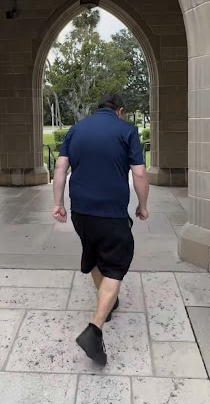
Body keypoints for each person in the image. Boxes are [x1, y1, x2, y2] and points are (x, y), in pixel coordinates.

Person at [52, 92, 149, 366]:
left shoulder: (77, 129)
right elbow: (140, 173)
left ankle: (109, 302)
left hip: (81, 211)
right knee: (117, 262)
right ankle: (95, 329)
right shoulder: (126, 130)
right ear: (120, 110)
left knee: (94, 252)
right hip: (111, 211)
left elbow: (61, 167)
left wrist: (58, 204)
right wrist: (143, 205)